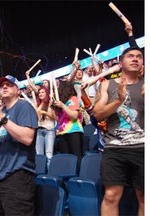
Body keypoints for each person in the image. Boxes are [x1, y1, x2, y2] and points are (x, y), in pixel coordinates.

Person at [93, 47, 144, 216]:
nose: (135, 59)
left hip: (143, 148)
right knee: (111, 195)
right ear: (120, 63)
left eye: (139, 56)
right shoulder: (107, 84)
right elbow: (98, 115)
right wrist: (119, 100)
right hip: (115, 148)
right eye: (130, 56)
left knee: (144, 197)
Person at [0, 75, 38, 215]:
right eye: (2, 85)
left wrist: (2, 119)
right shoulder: (1, 111)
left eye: (9, 85)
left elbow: (28, 138)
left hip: (17, 175)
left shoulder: (24, 107)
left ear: (18, 90)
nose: (4, 87)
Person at [53, 80, 84, 169]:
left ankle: (79, 177)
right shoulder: (61, 102)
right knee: (65, 159)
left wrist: (63, 106)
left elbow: (74, 116)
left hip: (74, 130)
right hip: (63, 132)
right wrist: (53, 108)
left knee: (76, 157)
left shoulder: (73, 99)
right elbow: (57, 119)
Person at [33, 87, 56, 167]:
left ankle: (49, 174)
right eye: (39, 93)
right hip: (39, 130)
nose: (40, 94)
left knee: (49, 154)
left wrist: (44, 112)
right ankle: (40, 172)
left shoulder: (50, 103)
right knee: (39, 154)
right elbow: (35, 114)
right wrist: (41, 105)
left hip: (49, 130)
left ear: (47, 93)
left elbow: (54, 117)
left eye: (43, 92)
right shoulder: (38, 103)